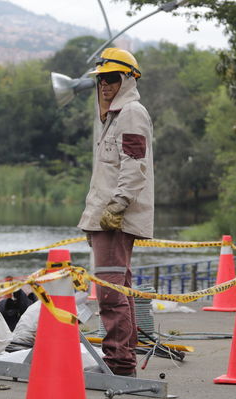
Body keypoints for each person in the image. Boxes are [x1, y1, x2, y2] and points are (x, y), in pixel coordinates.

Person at [77, 48, 154, 377]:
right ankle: (124, 358)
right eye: (101, 80)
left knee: (109, 290)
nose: (105, 85)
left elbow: (134, 165)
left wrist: (118, 205)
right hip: (106, 214)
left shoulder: (132, 113)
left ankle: (119, 362)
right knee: (118, 285)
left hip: (116, 217)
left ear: (127, 80)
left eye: (112, 79)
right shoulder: (112, 117)